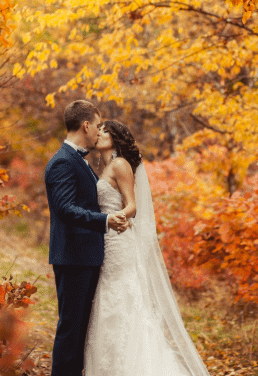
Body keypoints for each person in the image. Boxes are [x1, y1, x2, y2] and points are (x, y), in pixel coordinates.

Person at [84, 119, 210, 376]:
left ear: (116, 138)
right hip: (107, 238)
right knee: (108, 299)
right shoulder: (103, 166)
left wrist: (118, 217)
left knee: (121, 298)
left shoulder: (120, 164)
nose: (100, 133)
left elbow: (132, 205)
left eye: (105, 130)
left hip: (119, 241)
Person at [44, 100, 129, 376]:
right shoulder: (62, 163)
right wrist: (104, 220)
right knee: (71, 329)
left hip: (86, 257)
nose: (98, 132)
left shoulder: (79, 160)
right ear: (86, 125)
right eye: (97, 125)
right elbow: (65, 209)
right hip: (74, 258)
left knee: (81, 330)